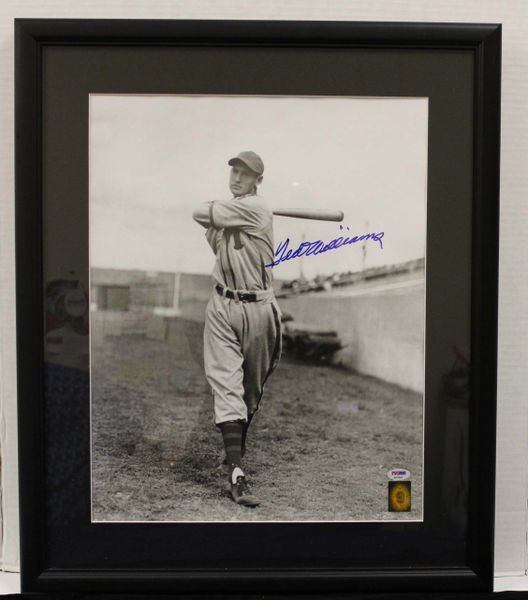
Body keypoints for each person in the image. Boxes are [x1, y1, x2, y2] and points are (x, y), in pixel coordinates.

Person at [192, 151, 282, 507]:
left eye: (245, 174)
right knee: (226, 388)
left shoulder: (257, 209)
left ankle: (233, 455)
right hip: (222, 305)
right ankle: (237, 473)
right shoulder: (234, 211)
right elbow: (206, 221)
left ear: (258, 180)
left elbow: (202, 212)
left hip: (258, 308)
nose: (237, 179)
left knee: (249, 394)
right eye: (234, 171)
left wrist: (223, 214)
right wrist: (223, 216)